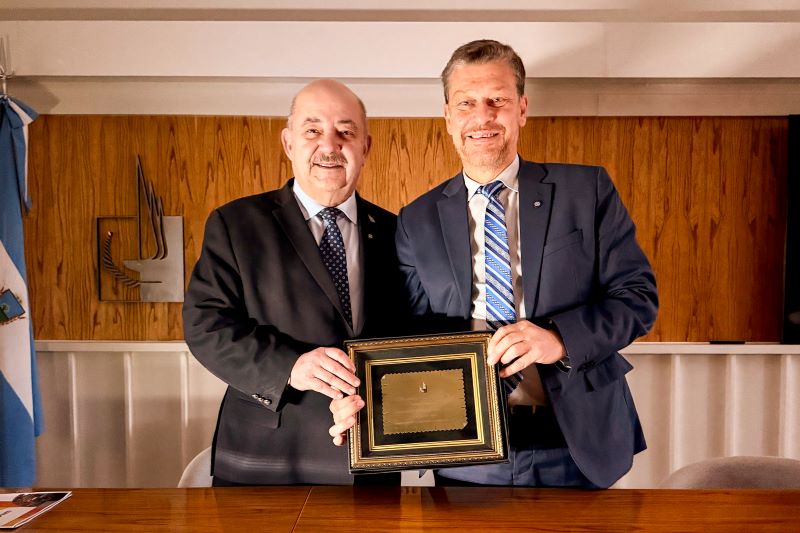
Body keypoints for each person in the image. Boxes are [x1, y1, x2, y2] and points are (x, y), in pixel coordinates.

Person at [330, 40, 658, 489]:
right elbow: (408, 333)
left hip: (577, 440)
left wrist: (559, 340)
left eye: (497, 101)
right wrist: (365, 397)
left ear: (521, 108)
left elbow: (637, 298)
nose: (482, 116)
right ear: (448, 115)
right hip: (465, 444)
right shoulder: (416, 219)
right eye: (466, 103)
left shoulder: (587, 190)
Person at [184, 79, 404, 485]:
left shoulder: (396, 231)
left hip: (370, 451)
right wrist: (292, 366)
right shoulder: (236, 224)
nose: (330, 145)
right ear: (289, 143)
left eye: (346, 131)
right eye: (313, 130)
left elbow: (410, 334)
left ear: (365, 147)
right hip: (267, 454)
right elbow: (205, 327)